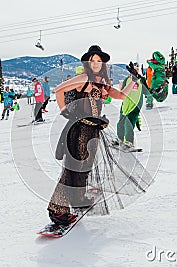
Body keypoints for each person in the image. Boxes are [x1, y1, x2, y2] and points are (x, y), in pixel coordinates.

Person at [48, 45, 136, 226]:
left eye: (99, 60)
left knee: (85, 166)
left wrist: (134, 81)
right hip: (79, 129)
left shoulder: (100, 81)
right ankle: (57, 210)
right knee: (72, 168)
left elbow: (119, 96)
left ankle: (78, 198)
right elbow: (59, 90)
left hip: (93, 129)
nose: (96, 63)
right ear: (88, 63)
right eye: (92, 60)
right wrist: (65, 111)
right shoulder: (84, 77)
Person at [116, 62, 148, 149]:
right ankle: (120, 139)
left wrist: (151, 97)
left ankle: (129, 142)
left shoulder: (141, 80)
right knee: (120, 123)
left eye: (138, 69)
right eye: (135, 69)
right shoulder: (127, 79)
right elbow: (123, 91)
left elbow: (147, 92)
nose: (136, 71)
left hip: (135, 104)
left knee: (129, 123)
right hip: (125, 104)